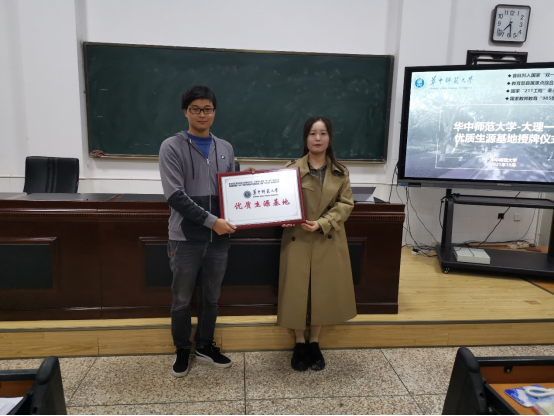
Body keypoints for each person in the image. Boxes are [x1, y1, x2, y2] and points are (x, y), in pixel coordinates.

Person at [159, 86, 238, 378]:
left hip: (219, 239)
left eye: (207, 109)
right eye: (195, 109)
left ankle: (204, 345)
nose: (202, 114)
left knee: (211, 297)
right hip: (185, 238)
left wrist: (247, 181)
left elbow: (230, 189)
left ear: (214, 112)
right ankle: (182, 348)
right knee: (181, 299)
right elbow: (175, 196)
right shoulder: (171, 146)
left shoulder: (226, 147)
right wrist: (211, 221)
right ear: (185, 111)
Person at [278, 116, 357, 372]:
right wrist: (282, 216)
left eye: (323, 133)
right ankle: (299, 343)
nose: (318, 138)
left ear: (329, 138)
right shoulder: (290, 170)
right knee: (296, 290)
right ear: (306, 138)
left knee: (321, 290)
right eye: (313, 133)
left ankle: (314, 342)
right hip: (298, 238)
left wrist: (322, 223)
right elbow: (280, 200)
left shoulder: (340, 172)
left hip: (326, 237)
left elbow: (346, 204)